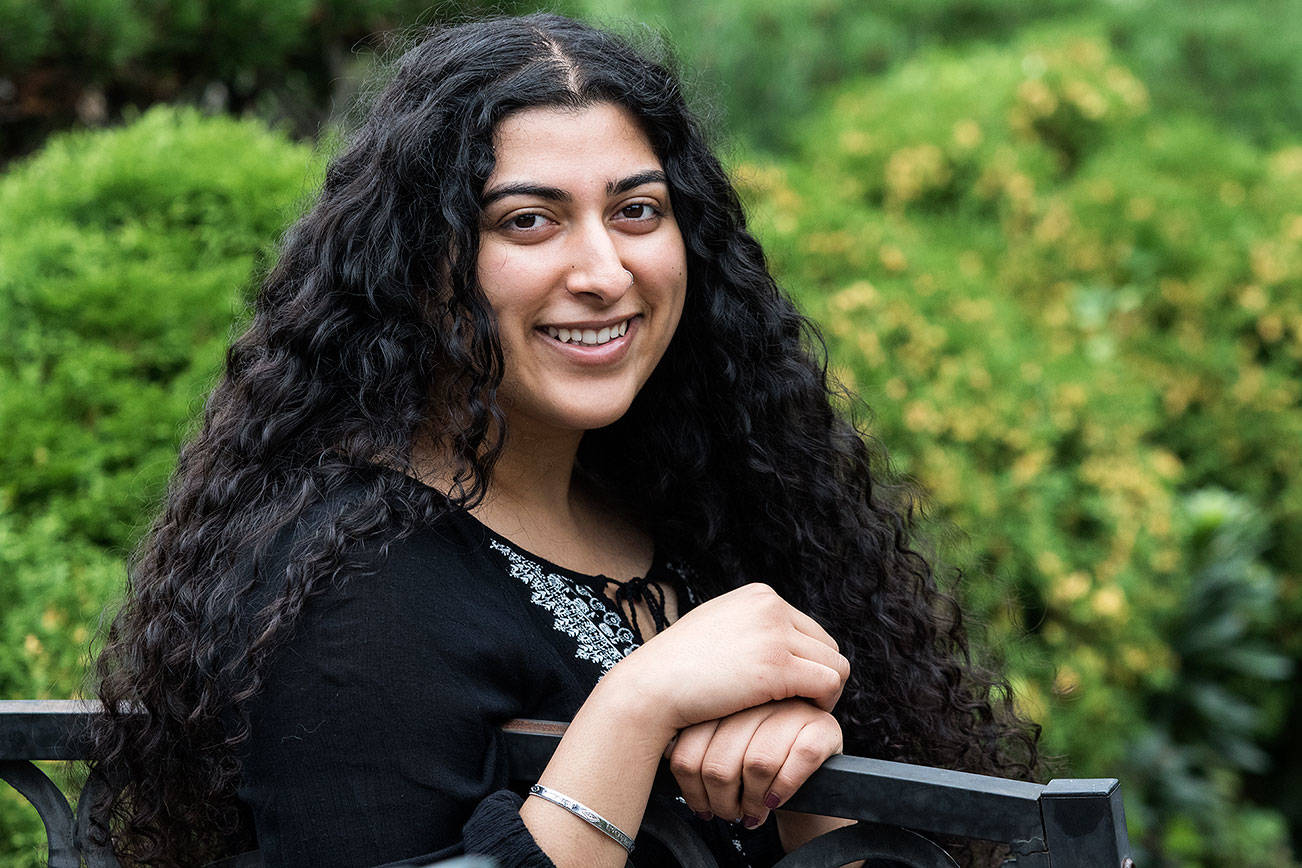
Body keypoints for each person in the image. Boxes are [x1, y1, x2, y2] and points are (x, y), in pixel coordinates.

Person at [88, 13, 1040, 868]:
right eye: (529, 220)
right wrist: (634, 708)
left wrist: (804, 777)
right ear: (418, 267)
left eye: (637, 211)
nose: (604, 268)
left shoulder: (699, 512)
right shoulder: (351, 588)